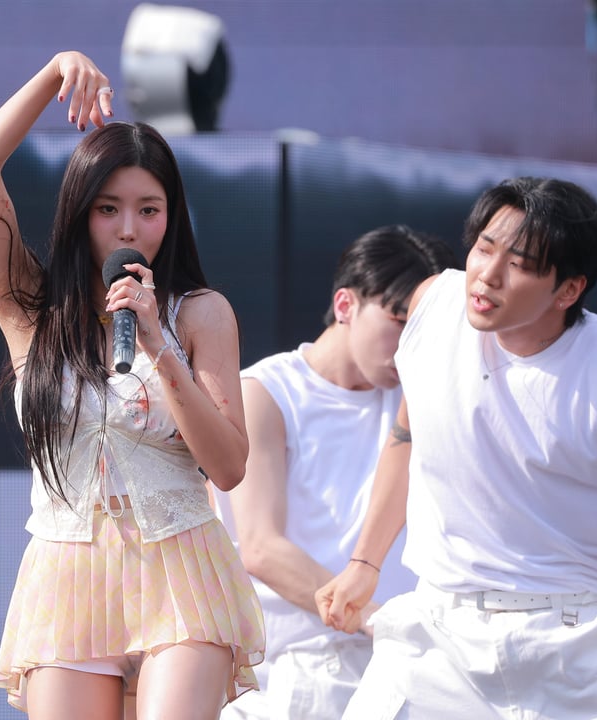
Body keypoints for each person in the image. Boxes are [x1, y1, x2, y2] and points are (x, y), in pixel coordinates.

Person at [0, 50, 265, 719]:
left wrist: (160, 347)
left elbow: (229, 466)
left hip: (180, 566)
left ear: (171, 216)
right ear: (80, 213)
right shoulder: (33, 311)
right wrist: (53, 73)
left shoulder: (201, 314)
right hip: (67, 571)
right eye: (108, 209)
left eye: (149, 209)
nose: (129, 228)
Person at [315, 177, 597, 719]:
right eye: (484, 248)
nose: (487, 275)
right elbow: (408, 436)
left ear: (568, 290)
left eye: (519, 264)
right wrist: (364, 561)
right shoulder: (432, 305)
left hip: (578, 645)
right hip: (436, 630)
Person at [213, 226, 456, 720]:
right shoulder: (265, 391)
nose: (409, 345)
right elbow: (260, 547)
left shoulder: (423, 397)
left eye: (421, 331)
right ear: (346, 305)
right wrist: (371, 616)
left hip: (408, 671)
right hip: (288, 671)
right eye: (399, 322)